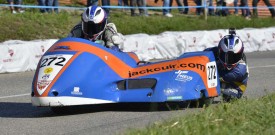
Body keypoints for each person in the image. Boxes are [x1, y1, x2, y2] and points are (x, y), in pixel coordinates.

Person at [204, 28, 249, 102]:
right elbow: (202, 55)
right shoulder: (215, 50)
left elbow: (213, 77)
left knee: (225, 94)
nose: (229, 60)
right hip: (221, 76)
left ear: (240, 54)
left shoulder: (240, 70)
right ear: (219, 50)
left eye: (234, 57)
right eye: (225, 56)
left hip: (236, 87)